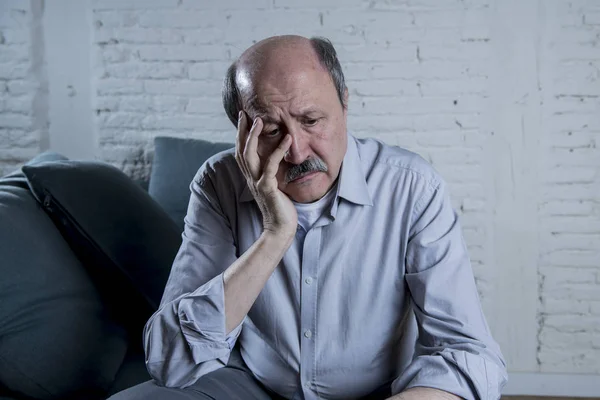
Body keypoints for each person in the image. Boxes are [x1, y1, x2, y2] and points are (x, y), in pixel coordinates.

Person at [111, 35, 507, 400]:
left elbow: (470, 353)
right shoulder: (219, 184)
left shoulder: (412, 187)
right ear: (241, 131)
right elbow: (169, 360)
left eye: (311, 121)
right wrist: (274, 235)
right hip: (251, 386)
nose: (297, 151)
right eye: (270, 130)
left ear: (345, 103)